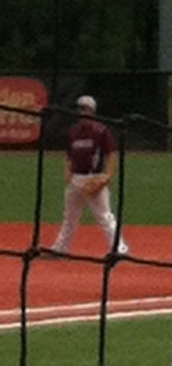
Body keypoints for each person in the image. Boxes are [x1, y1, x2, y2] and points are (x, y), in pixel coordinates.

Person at [47, 95, 130, 257]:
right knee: (70, 217)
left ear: (93, 111)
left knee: (105, 217)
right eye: (79, 108)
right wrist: (67, 172)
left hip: (94, 178)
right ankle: (60, 248)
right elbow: (69, 155)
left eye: (85, 108)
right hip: (76, 179)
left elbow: (111, 154)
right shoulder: (73, 132)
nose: (81, 112)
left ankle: (120, 249)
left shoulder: (101, 131)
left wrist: (107, 176)